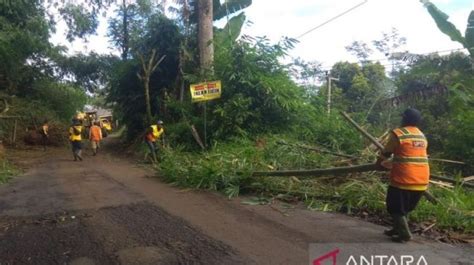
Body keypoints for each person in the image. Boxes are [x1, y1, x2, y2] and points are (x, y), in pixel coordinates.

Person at [377, 108, 430, 243]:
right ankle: (397, 229)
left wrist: (379, 163)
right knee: (404, 207)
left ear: (404, 119)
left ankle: (404, 234)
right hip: (422, 179)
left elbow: (386, 153)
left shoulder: (398, 134)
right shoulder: (421, 135)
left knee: (395, 207)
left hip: (404, 179)